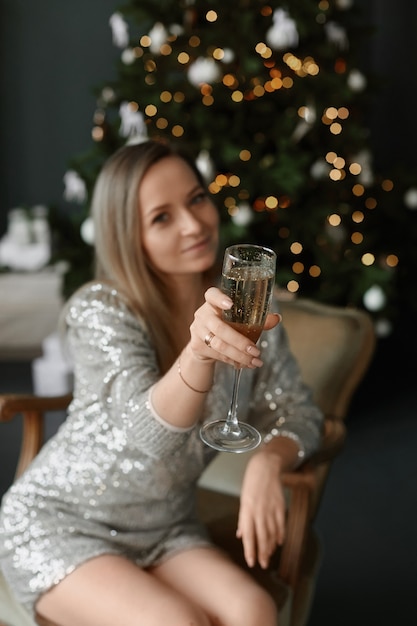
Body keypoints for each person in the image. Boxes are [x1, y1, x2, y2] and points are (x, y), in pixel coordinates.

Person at [0, 139, 323, 626]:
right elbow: (149, 434)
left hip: (167, 524)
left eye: (196, 199)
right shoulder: (101, 309)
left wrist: (268, 462)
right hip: (62, 521)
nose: (194, 225)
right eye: (162, 217)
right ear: (128, 235)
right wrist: (197, 353)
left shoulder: (248, 302)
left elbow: (297, 411)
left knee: (254, 611)